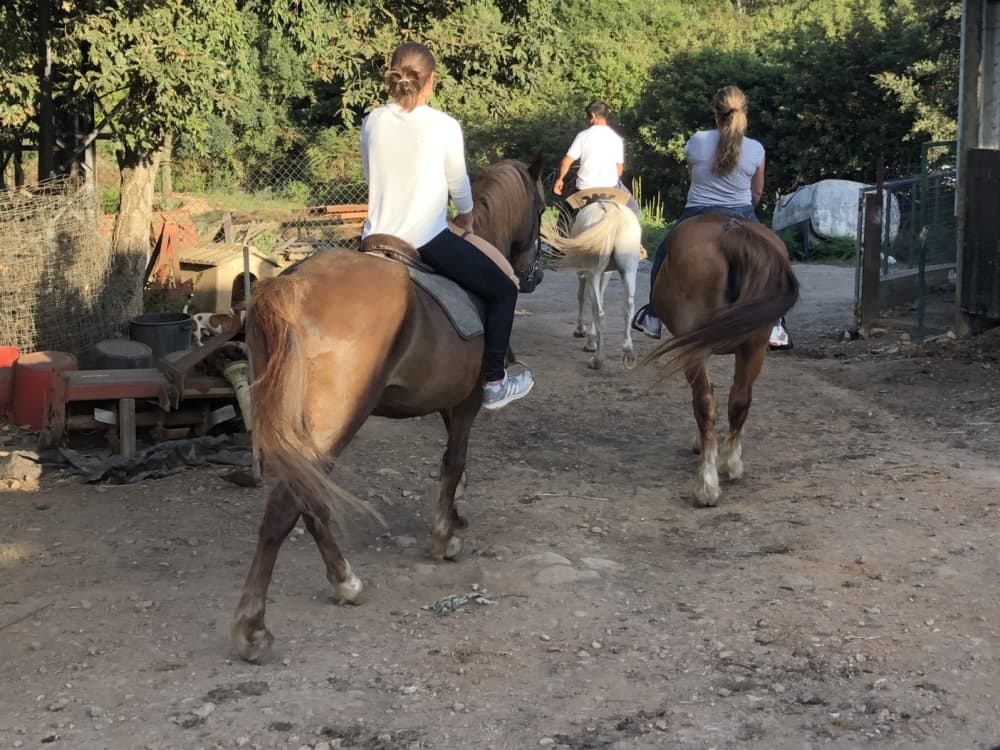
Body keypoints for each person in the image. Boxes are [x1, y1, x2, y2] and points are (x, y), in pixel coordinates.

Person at [360, 41, 534, 410]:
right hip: (426, 239)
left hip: (374, 239)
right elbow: (459, 185)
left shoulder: (372, 121)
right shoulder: (443, 125)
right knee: (504, 290)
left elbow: (370, 176)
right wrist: (466, 217)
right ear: (431, 81)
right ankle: (494, 381)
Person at [631, 85, 790, 349]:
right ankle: (776, 323)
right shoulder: (756, 149)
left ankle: (653, 315)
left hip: (697, 211)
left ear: (716, 113)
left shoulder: (697, 141)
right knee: (774, 257)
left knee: (662, 252)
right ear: (745, 112)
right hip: (742, 212)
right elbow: (757, 191)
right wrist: (744, 209)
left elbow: (692, 175)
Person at [553, 100, 640, 218]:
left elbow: (565, 162)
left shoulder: (583, 136)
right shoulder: (616, 138)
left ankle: (560, 228)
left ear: (593, 116)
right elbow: (619, 170)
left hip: (584, 187)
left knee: (564, 216)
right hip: (610, 186)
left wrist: (559, 180)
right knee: (634, 209)